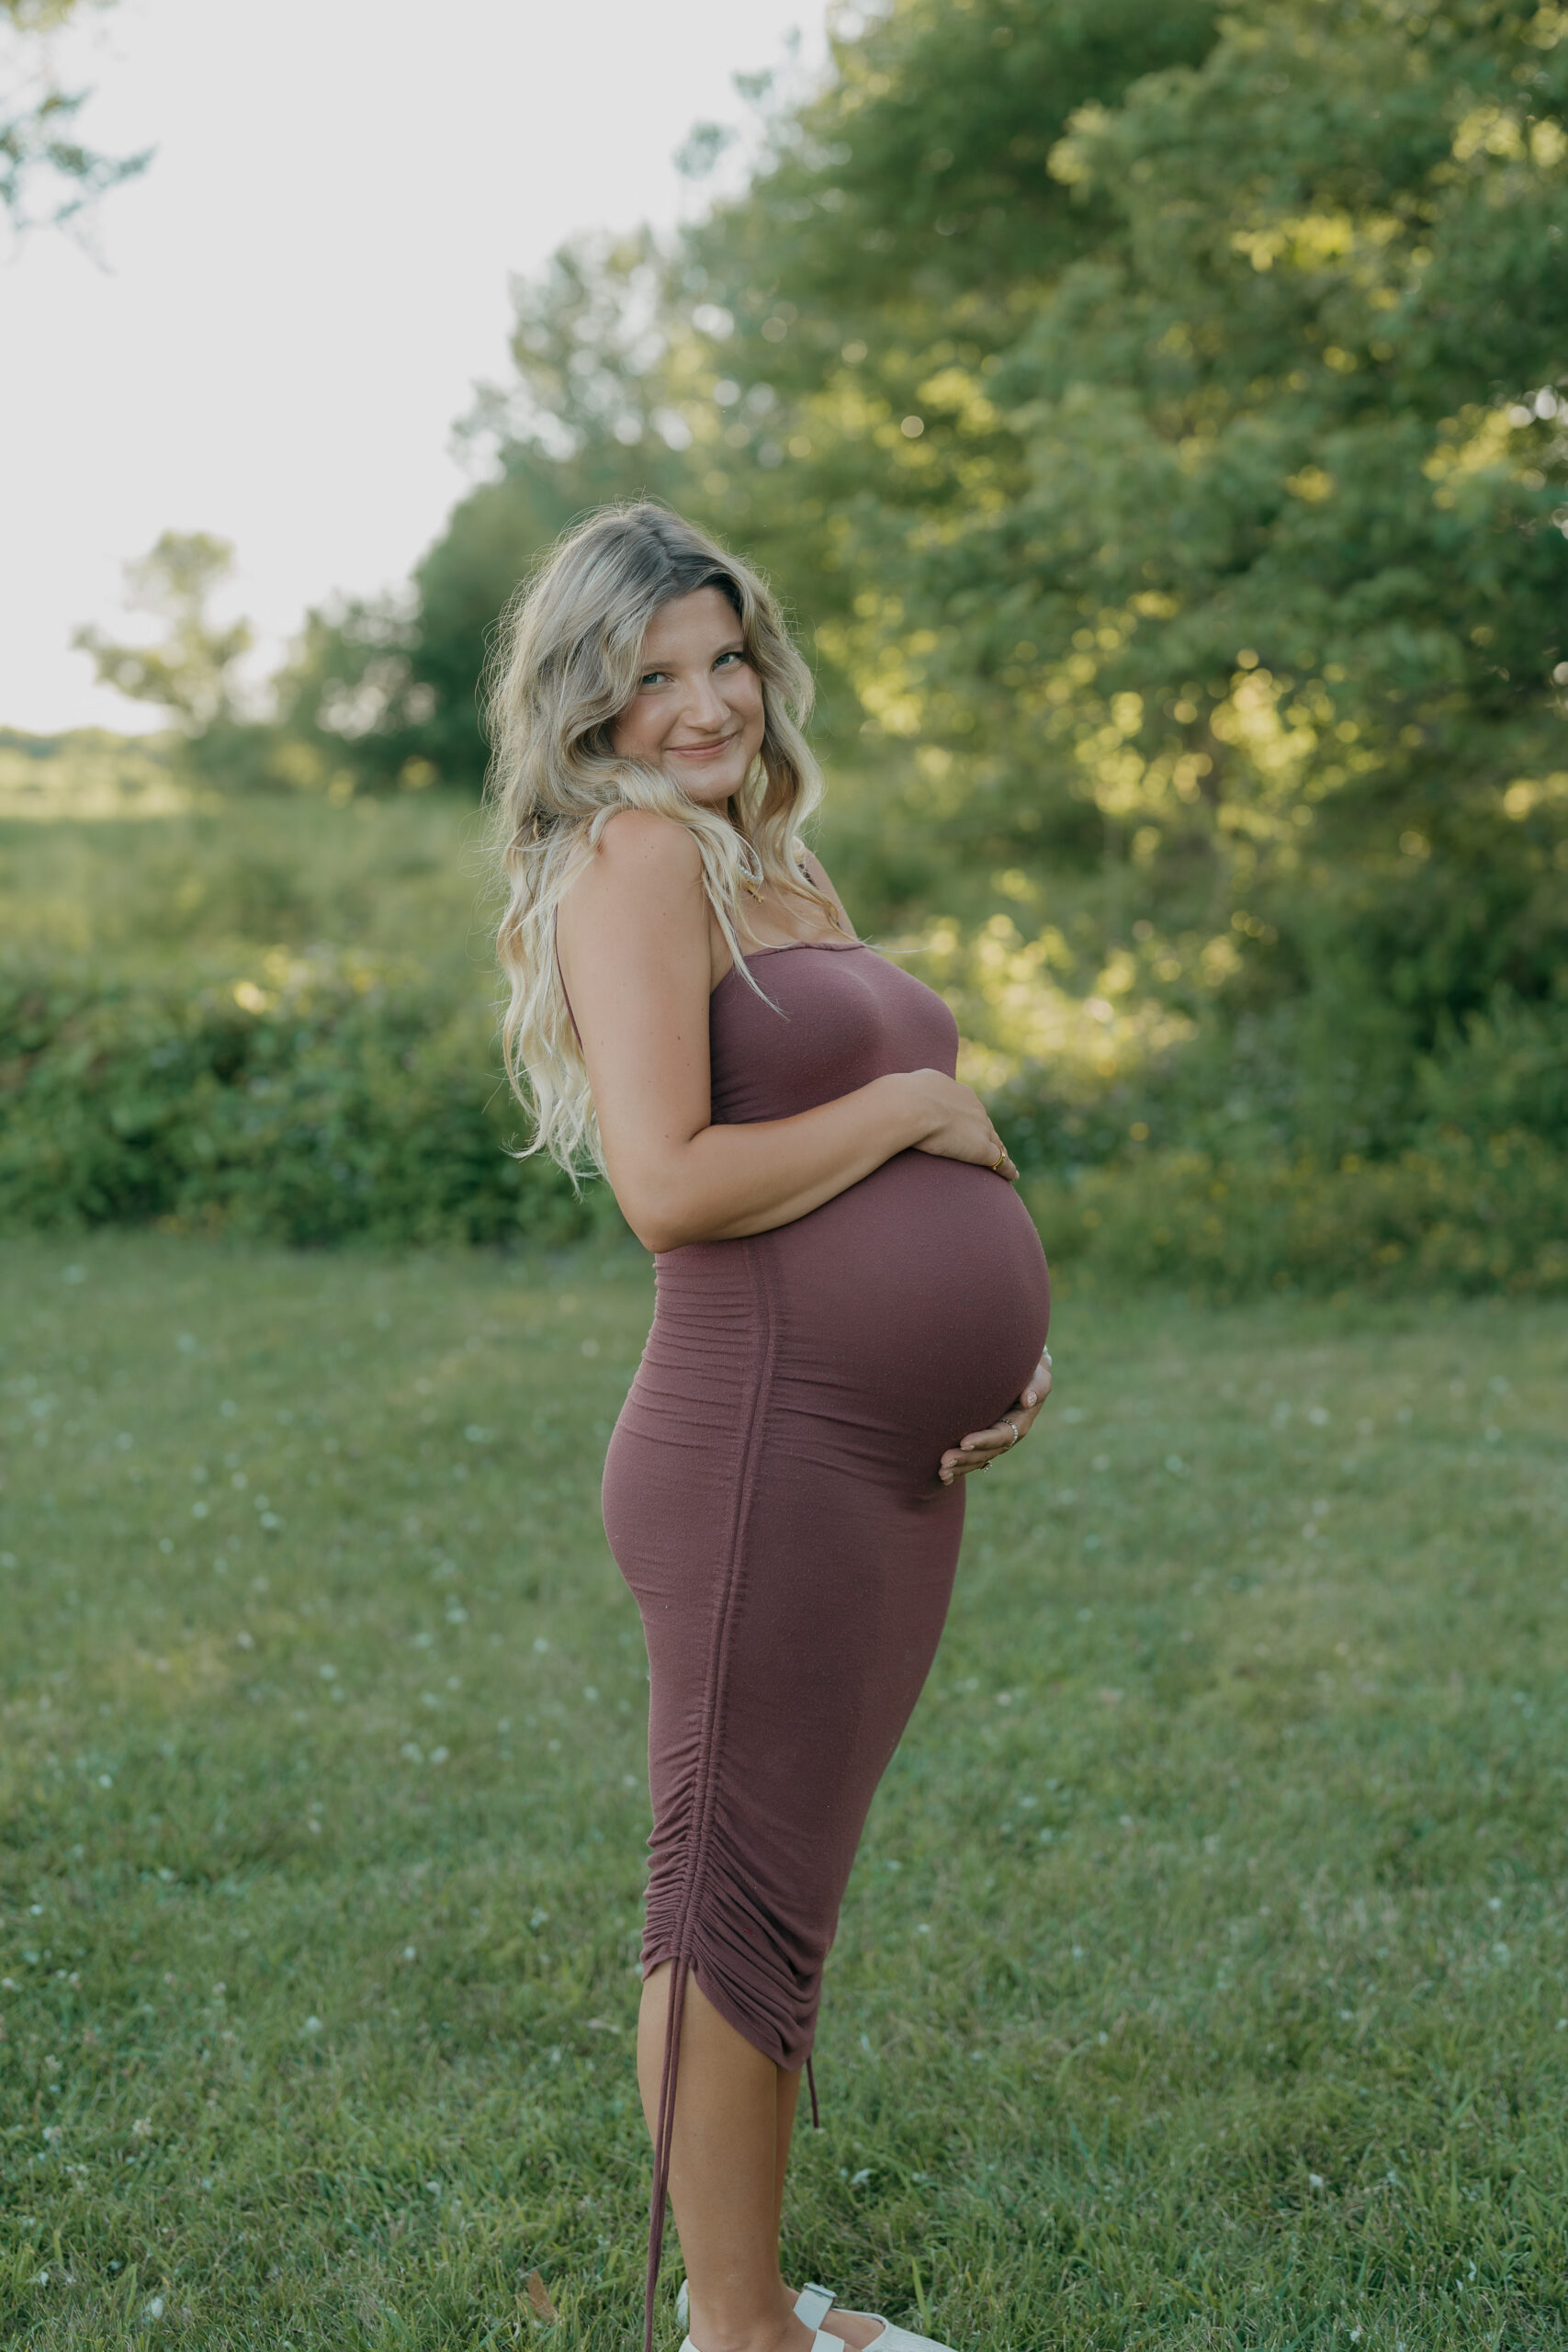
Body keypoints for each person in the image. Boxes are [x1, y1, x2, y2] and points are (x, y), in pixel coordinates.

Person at [485, 503, 1052, 2352]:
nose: (706, 702)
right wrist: (911, 1113)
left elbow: (870, 1163)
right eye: (652, 676)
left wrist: (994, 1353)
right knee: (727, 1887)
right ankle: (736, 2330)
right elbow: (668, 1184)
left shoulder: (772, 861)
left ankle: (752, 2306)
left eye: (725, 658)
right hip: (756, 1446)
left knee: (785, 1889)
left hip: (880, 1459)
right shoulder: (637, 854)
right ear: (587, 704)